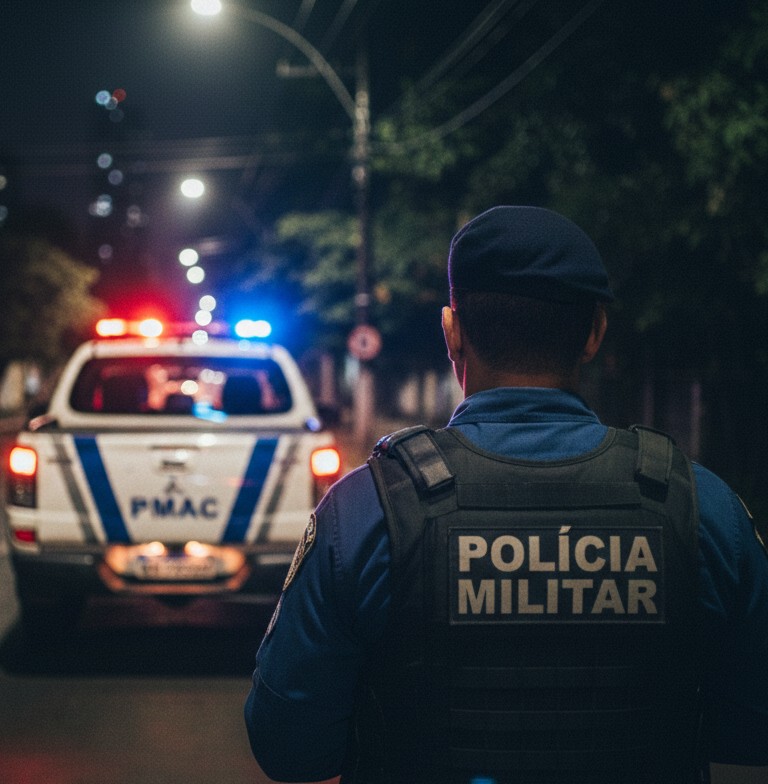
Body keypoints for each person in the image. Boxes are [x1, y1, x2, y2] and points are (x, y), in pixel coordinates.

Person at [245, 206, 768, 784]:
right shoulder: (699, 506)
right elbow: (753, 727)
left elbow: (288, 746)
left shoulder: (366, 510)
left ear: (452, 332)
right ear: (595, 332)